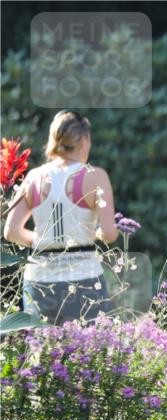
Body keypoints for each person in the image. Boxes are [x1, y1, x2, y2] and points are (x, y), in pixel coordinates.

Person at [3, 110, 118, 324]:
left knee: (43, 353)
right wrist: (95, 234)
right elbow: (110, 234)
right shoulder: (95, 176)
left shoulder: (34, 177)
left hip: (39, 280)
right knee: (88, 354)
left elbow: (11, 231)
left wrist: (43, 241)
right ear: (84, 140)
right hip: (84, 278)